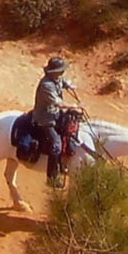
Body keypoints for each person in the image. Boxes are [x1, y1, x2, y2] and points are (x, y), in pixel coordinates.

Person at [33, 56, 79, 188]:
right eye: (60, 70)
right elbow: (57, 103)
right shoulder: (46, 85)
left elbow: (63, 82)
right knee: (56, 144)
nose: (62, 73)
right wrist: (73, 106)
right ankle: (52, 178)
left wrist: (69, 85)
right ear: (53, 72)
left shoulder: (56, 78)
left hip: (55, 115)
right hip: (45, 119)